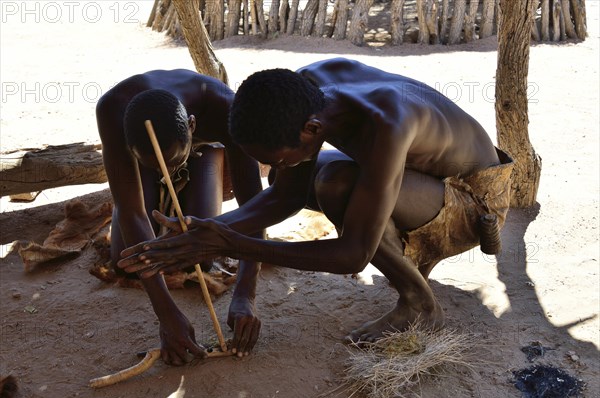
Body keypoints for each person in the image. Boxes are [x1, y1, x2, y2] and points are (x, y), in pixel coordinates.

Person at [118, 58, 513, 343]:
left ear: (311, 129)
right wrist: (198, 233)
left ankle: (421, 306)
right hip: (427, 182)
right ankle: (409, 268)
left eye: (283, 156)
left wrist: (231, 243)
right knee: (313, 179)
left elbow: (352, 256)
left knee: (337, 184)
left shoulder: (388, 122)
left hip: (475, 202)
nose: (279, 167)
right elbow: (285, 194)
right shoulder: (308, 89)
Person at [96, 69, 263, 365]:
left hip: (203, 147)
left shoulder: (226, 109)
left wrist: (244, 294)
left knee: (200, 255)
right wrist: (167, 314)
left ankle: (177, 159)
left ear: (191, 125)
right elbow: (133, 213)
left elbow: (255, 207)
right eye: (158, 167)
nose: (166, 174)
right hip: (158, 149)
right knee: (128, 259)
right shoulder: (112, 110)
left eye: (171, 164)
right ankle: (160, 160)